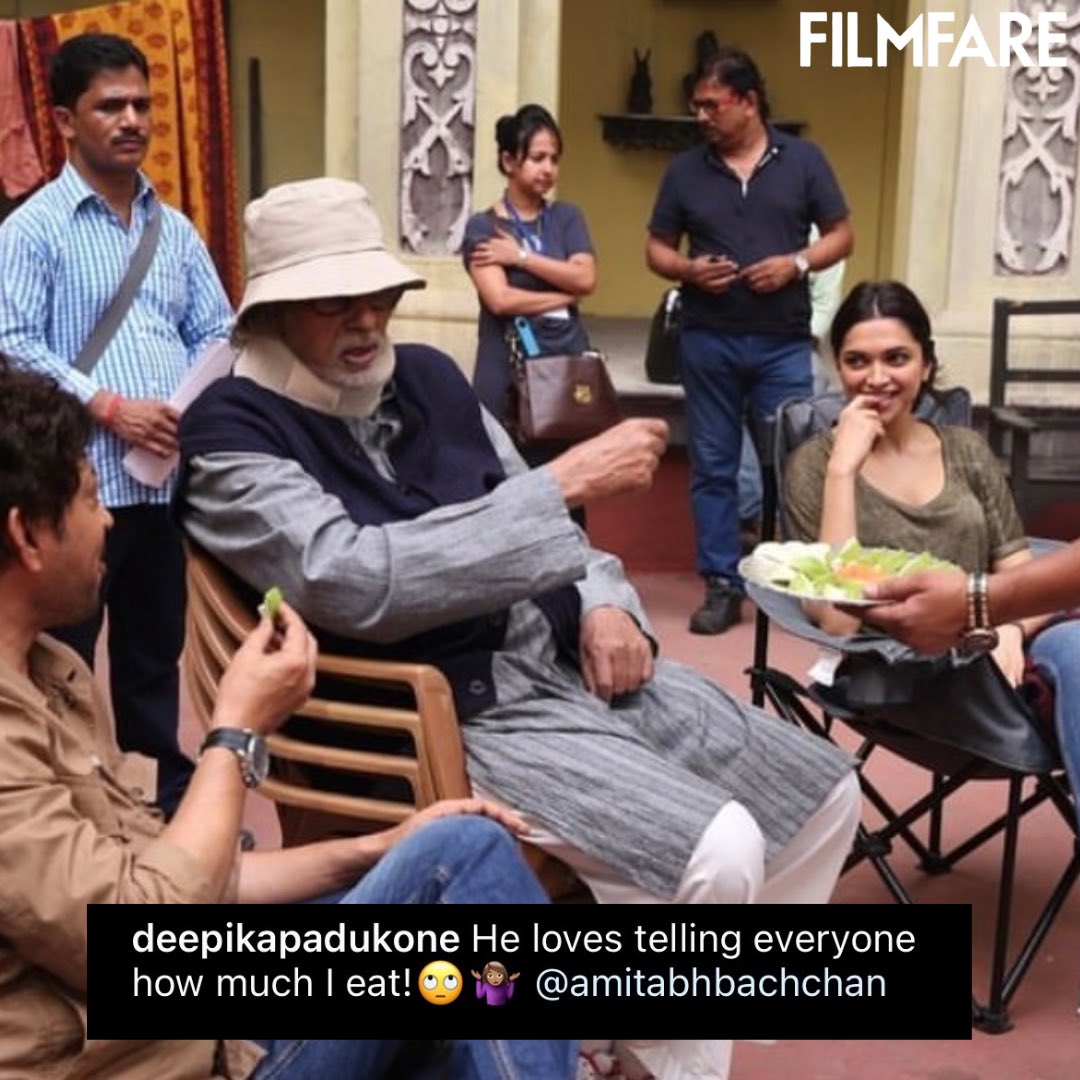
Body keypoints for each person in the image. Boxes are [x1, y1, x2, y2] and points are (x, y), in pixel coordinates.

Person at [177, 176, 861, 1080]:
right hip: (457, 711)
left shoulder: (423, 375)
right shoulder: (231, 430)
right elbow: (352, 578)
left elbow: (538, 517)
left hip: (562, 658)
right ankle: (665, 1064)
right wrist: (565, 483)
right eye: (334, 304)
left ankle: (636, 1034)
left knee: (824, 795)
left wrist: (608, 596)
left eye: (377, 297)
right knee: (721, 850)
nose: (367, 323)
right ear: (272, 313)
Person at [0, 361, 575, 1080]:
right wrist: (234, 734)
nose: (109, 519)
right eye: (90, 498)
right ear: (26, 535)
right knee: (465, 869)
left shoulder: (53, 672)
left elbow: (196, 875)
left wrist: (377, 851)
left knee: (453, 894)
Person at [0, 32, 234, 817]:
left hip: (163, 488)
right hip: (72, 490)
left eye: (142, 104)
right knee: (60, 663)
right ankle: (67, 811)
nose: (132, 119)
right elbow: (10, 341)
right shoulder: (32, 231)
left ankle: (158, 806)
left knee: (150, 662)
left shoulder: (176, 232)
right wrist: (107, 405)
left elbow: (217, 327)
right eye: (111, 106)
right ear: (66, 121)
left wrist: (182, 404)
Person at [782, 280, 1080, 826]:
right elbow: (834, 618)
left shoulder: (965, 451)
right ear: (838, 367)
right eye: (857, 361)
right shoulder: (815, 465)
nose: (876, 378)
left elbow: (1018, 572)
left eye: (897, 358)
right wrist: (843, 469)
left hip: (1002, 653)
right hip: (902, 671)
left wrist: (1007, 629)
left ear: (925, 363)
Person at [646, 46, 853, 635]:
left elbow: (842, 235)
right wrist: (686, 271)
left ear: (748, 101)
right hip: (707, 339)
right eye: (696, 107)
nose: (701, 116)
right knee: (711, 465)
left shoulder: (803, 160)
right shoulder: (685, 171)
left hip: (782, 343)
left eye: (712, 105)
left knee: (792, 463)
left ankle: (789, 576)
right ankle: (721, 584)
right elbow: (656, 248)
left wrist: (795, 264)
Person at [463, 104, 596, 468]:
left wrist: (520, 258)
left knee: (566, 481)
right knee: (504, 476)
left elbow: (585, 278)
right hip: (504, 370)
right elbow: (500, 300)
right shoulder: (483, 228)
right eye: (537, 157)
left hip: (562, 370)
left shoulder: (567, 218)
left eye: (554, 159)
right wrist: (563, 294)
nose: (548, 168)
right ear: (509, 161)